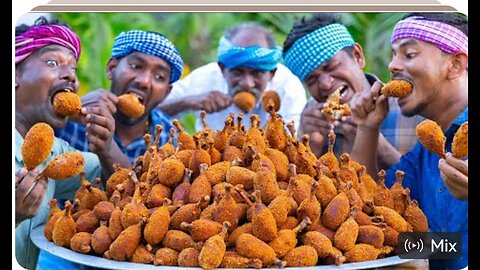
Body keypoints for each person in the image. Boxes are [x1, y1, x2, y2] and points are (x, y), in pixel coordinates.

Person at [349, 13, 468, 269]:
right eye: (393, 55)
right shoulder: (425, 150)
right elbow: (368, 202)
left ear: (456, 65)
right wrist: (368, 128)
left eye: (409, 54)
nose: (392, 65)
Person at [15, 16, 129, 269]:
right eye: (53, 62)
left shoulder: (56, 152)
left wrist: (106, 145)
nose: (70, 76)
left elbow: (126, 183)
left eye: (73, 69)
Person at [283, 13, 422, 167]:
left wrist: (371, 138)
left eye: (331, 66)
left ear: (357, 56)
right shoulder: (311, 117)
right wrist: (311, 146)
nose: (325, 85)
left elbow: (431, 186)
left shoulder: (410, 107)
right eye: (312, 79)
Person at [55, 29, 184, 164]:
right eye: (136, 66)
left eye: (159, 77)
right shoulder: (71, 119)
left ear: (166, 93)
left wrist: (108, 149)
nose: (144, 81)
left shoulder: (172, 139)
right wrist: (65, 115)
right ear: (112, 68)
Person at [158, 22, 307, 132]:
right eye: (238, 72)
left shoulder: (288, 89)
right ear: (223, 69)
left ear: (272, 73)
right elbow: (148, 112)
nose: (247, 84)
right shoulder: (204, 79)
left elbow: (292, 143)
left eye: (257, 73)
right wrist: (188, 102)